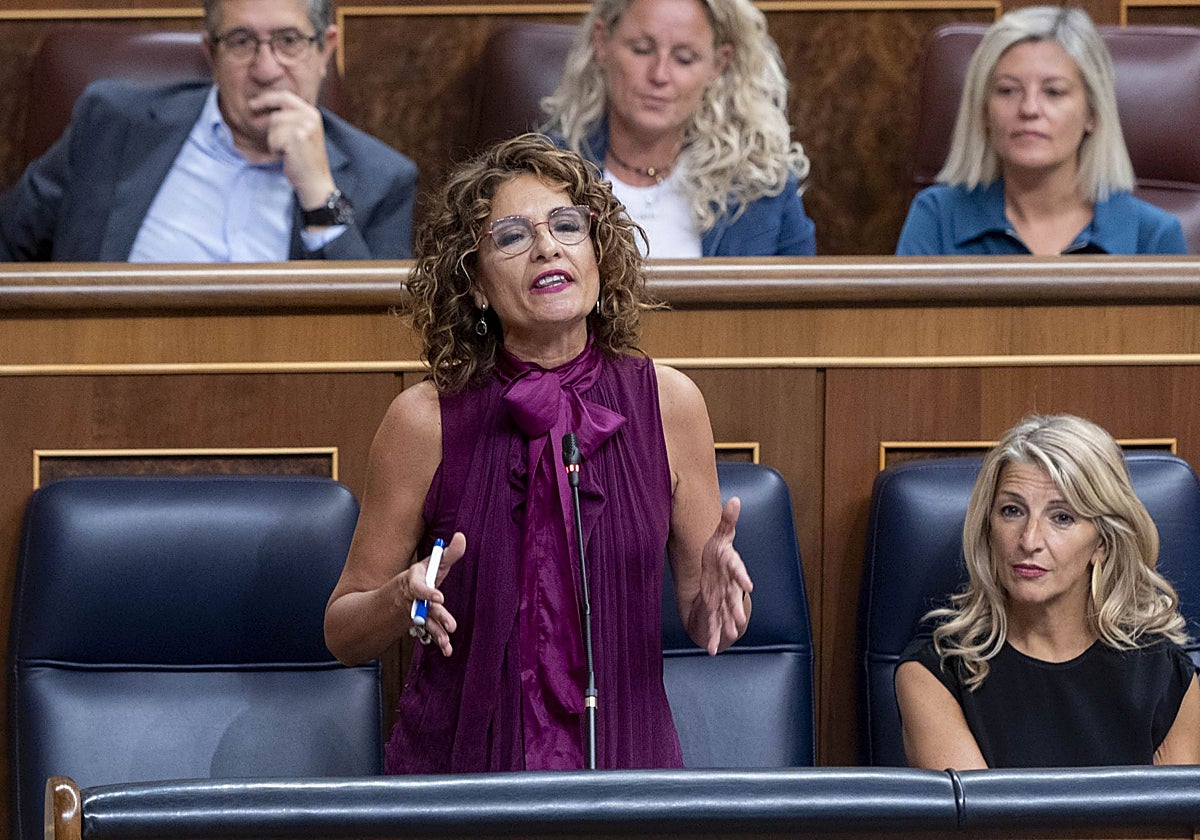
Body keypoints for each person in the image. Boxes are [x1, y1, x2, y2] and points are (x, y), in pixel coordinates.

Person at [324, 133, 752, 772]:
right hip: (463, 782)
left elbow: (701, 619)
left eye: (566, 226)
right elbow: (343, 631)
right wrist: (400, 598)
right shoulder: (424, 421)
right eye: (512, 237)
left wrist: (720, 599)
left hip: (625, 775)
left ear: (599, 255)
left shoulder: (670, 404)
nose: (547, 246)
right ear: (474, 284)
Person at [0, 0, 417, 262]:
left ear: (325, 49)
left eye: (288, 41)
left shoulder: (382, 179)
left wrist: (321, 195)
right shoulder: (111, 124)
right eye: (241, 41)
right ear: (210, 52)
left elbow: (379, 330)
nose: (266, 69)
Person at [895, 414, 1200, 769]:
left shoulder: (1165, 676)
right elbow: (987, 824)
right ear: (988, 528)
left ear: (1102, 543)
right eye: (1012, 511)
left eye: (1062, 517)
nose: (1029, 540)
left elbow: (1172, 824)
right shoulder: (936, 673)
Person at [895, 6, 1186, 255]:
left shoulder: (1152, 236)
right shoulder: (937, 217)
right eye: (1008, 90)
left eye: (1054, 92)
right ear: (983, 111)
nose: (1029, 108)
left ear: (1093, 114)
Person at [540, 0, 815, 258]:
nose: (659, 74)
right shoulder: (543, 173)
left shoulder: (761, 185)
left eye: (684, 58)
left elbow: (804, 303)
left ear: (718, 64)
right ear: (601, 42)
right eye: (641, 49)